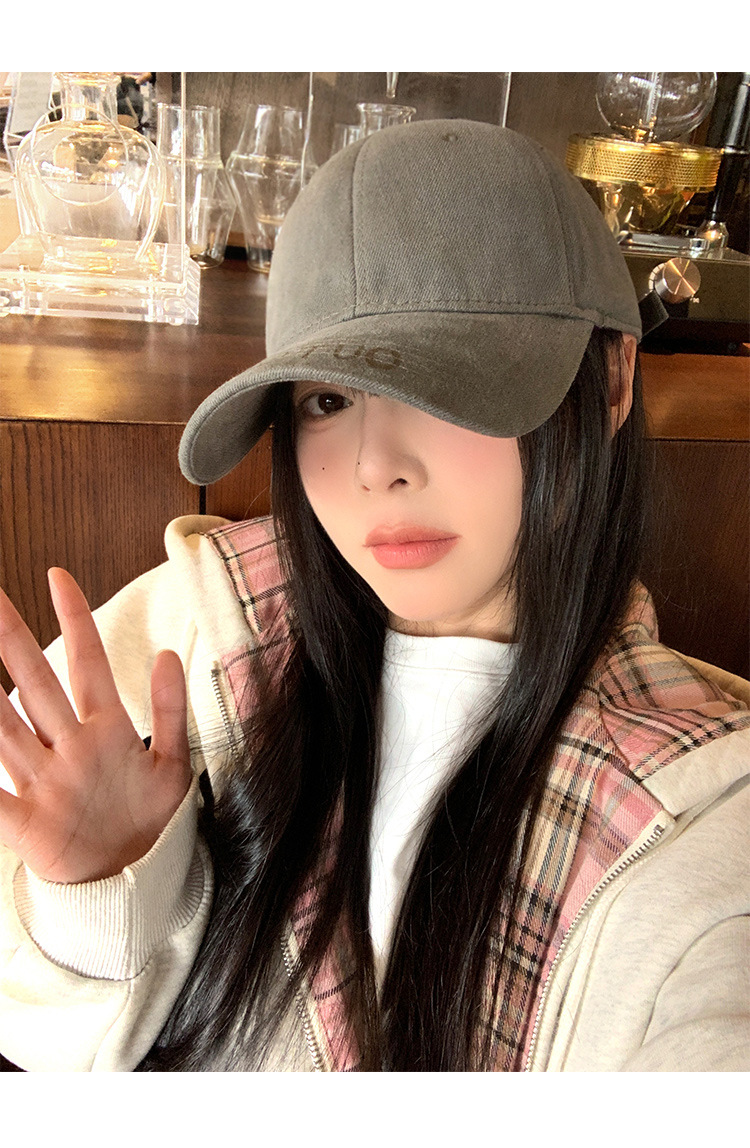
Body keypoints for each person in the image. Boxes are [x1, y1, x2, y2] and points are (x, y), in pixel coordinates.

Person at [0, 120, 748, 1073]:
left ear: (609, 382)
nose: (373, 467)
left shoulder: (692, 810)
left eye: (446, 385)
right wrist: (99, 901)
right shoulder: (200, 626)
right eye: (327, 401)